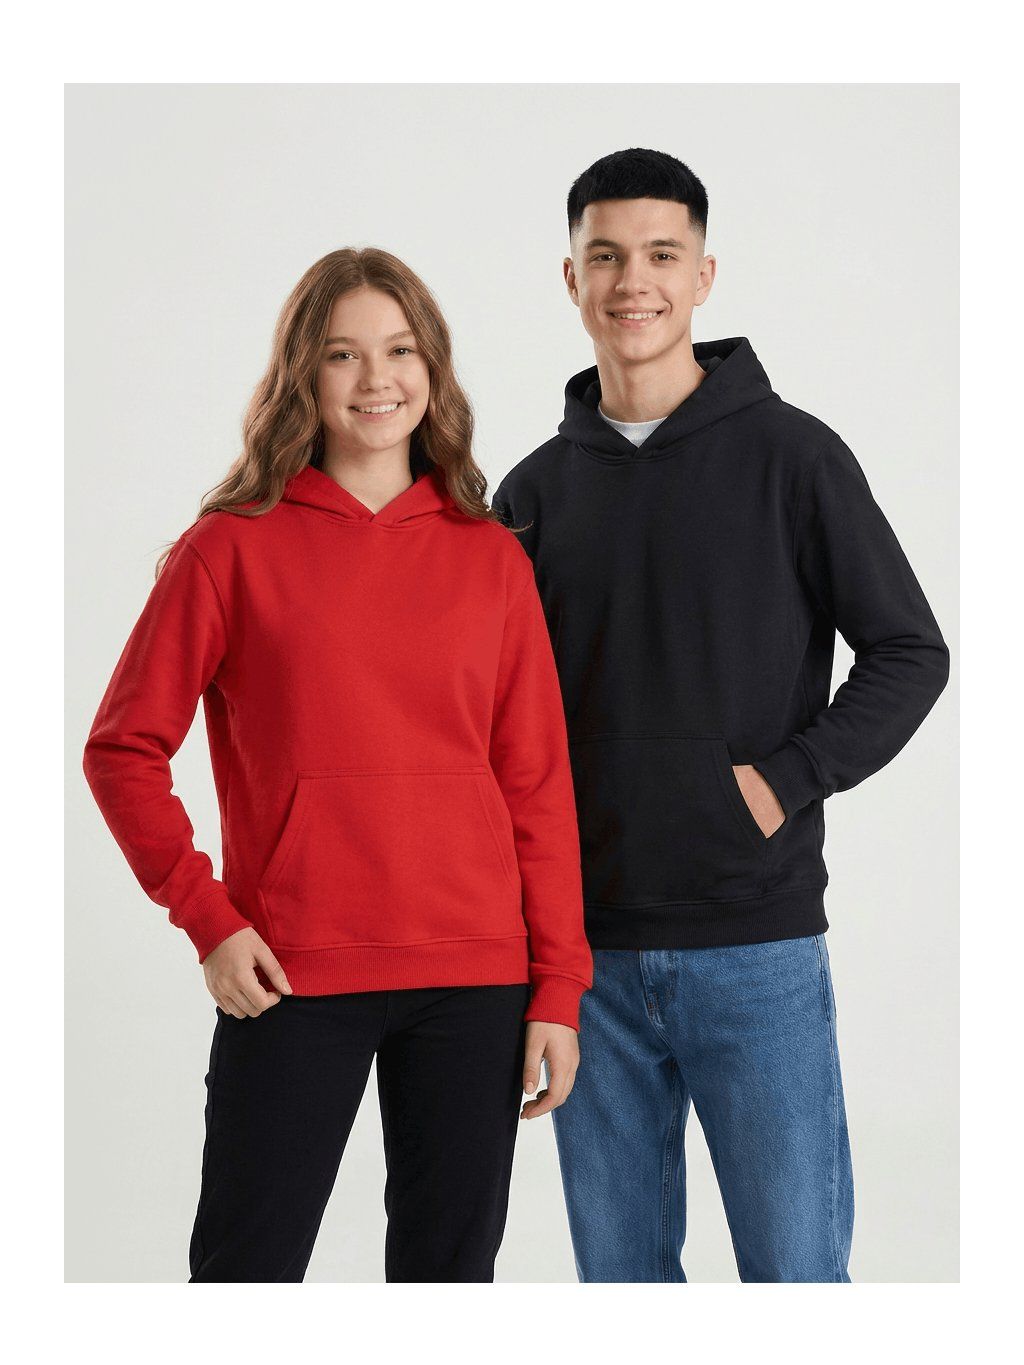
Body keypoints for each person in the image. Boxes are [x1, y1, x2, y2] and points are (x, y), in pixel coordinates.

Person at [82, 247, 592, 1284]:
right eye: (342, 354)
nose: (375, 379)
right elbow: (122, 750)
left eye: (400, 351)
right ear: (301, 376)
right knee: (245, 1276)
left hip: (474, 979)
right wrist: (209, 918)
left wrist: (558, 985)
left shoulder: (490, 556)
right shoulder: (228, 549)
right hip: (289, 971)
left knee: (448, 1285)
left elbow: (536, 784)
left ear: (432, 368)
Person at [492, 148, 949, 1283]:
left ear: (703, 275)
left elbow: (910, 651)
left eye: (661, 254)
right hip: (587, 957)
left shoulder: (794, 457)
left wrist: (783, 780)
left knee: (795, 1279)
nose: (632, 281)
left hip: (757, 944)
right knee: (623, 1287)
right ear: (571, 279)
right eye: (606, 256)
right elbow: (493, 717)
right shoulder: (532, 494)